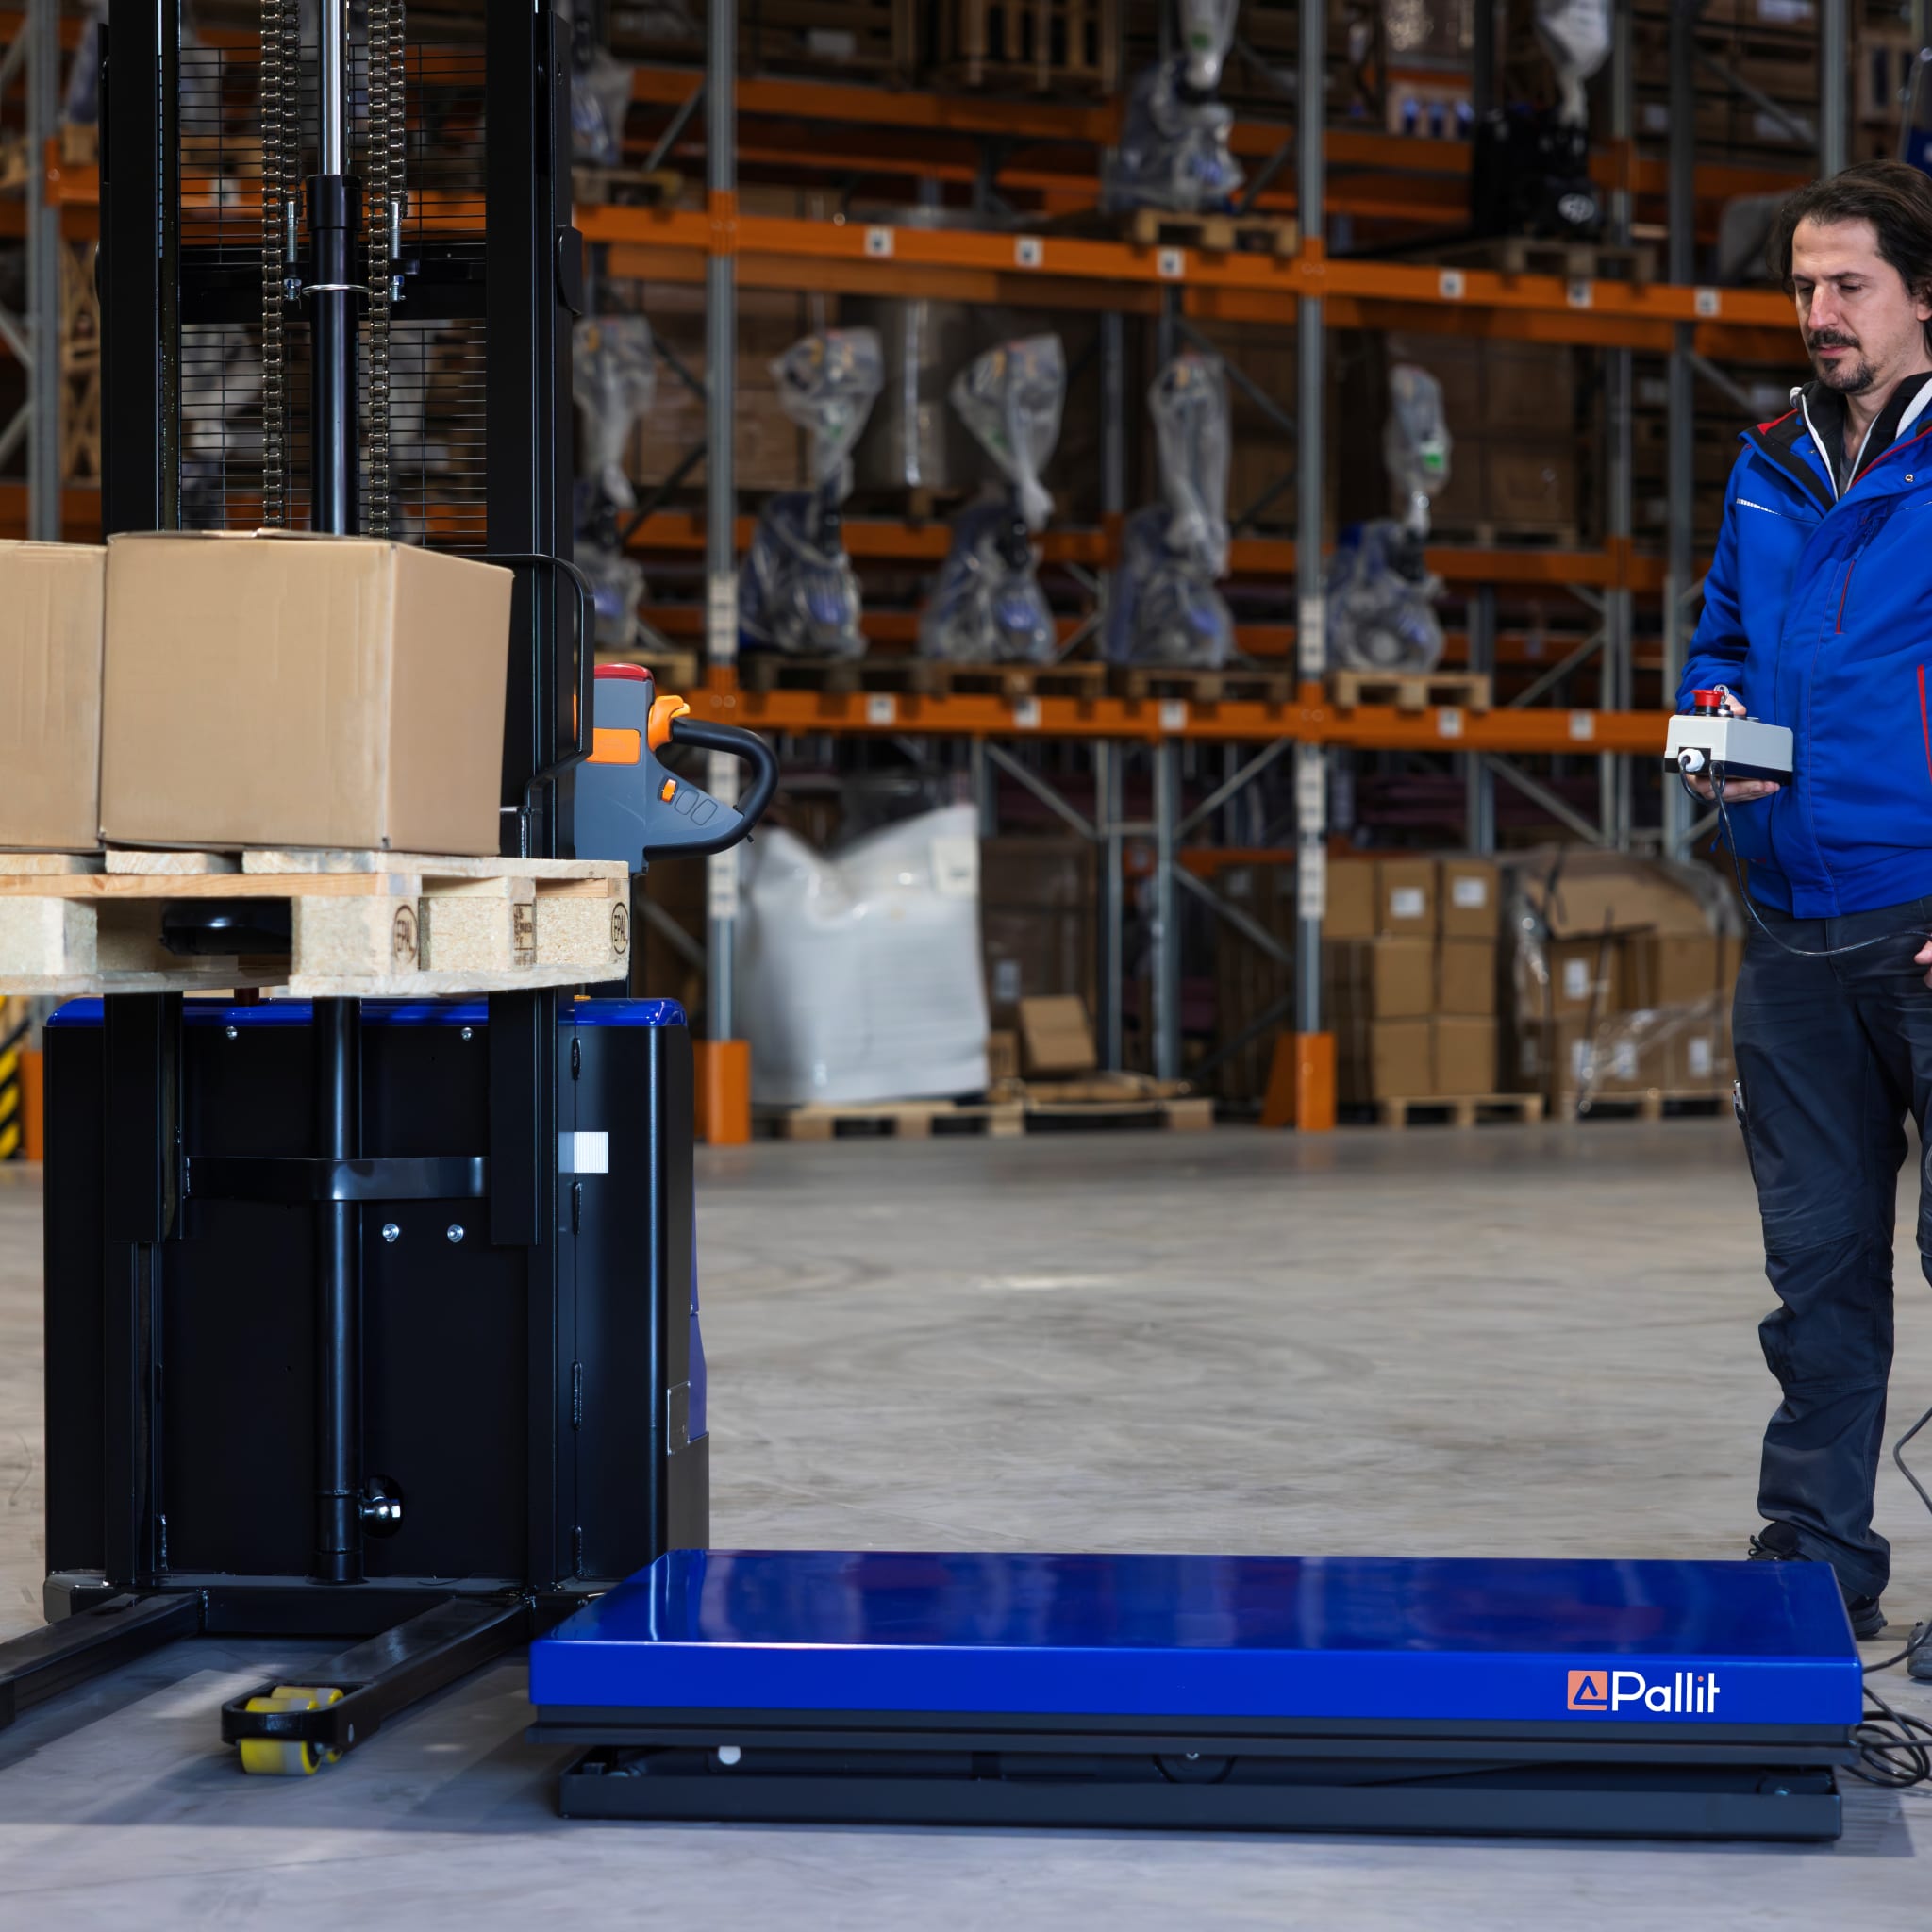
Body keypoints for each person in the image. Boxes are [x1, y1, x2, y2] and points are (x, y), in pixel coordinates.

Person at [1678, 159, 1932, 1640]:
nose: (1818, 313)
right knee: (1817, 1271)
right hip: (1789, 931)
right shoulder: (1768, 459)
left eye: (1848, 286)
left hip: (1921, 921)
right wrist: (1716, 719)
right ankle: (1816, 1563)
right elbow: (1721, 634)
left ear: (1921, 296)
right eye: (1801, 286)